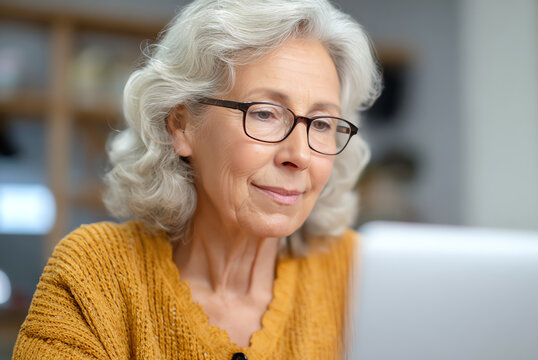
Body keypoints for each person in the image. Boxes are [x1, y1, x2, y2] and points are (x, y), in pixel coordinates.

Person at [12, 0, 381, 359]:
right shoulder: (94, 277)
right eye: (266, 114)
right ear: (182, 125)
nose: (299, 156)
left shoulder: (362, 280)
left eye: (321, 124)